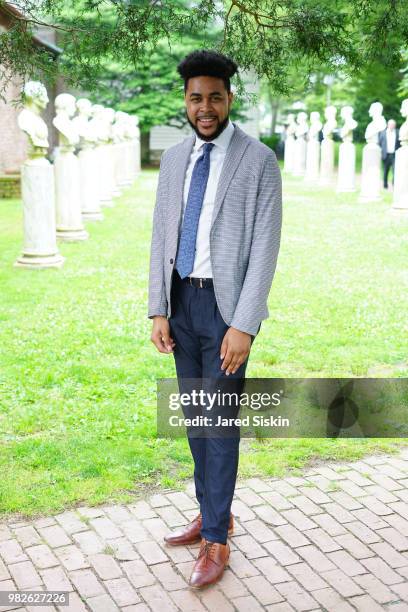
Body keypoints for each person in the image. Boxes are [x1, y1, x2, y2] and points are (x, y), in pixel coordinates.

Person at [148, 49, 282, 588]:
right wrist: (158, 306)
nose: (205, 108)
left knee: (220, 425)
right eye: (196, 98)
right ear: (186, 100)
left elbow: (266, 247)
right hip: (181, 305)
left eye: (215, 98)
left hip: (226, 312)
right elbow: (161, 235)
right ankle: (210, 512)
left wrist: (244, 324)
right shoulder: (174, 158)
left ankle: (218, 540)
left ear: (230, 99)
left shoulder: (258, 161)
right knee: (198, 422)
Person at [378, 119, 400, 189]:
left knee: (395, 171)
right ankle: (385, 185)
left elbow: (399, 144)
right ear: (388, 125)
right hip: (385, 155)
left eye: (393, 125)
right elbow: (379, 144)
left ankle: (394, 185)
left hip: (394, 155)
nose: (392, 126)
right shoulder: (382, 133)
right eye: (391, 124)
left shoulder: (397, 132)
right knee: (385, 171)